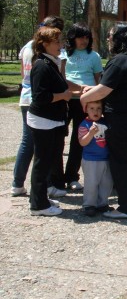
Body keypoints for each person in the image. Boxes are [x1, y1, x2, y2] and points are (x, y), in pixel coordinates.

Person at [80, 21, 127, 219]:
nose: (108, 39)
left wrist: (84, 98)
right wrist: (91, 90)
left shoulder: (120, 60)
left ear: (120, 39)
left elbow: (105, 89)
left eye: (111, 36)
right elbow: (111, 85)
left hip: (122, 116)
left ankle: (126, 207)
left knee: (121, 159)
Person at [27, 25, 83, 216]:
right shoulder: (41, 66)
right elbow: (40, 96)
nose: (61, 45)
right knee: (42, 162)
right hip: (43, 120)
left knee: (49, 160)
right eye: (56, 42)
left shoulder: (52, 62)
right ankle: (38, 205)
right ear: (44, 44)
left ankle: (40, 196)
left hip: (53, 120)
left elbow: (63, 83)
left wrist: (81, 89)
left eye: (60, 41)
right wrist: (63, 96)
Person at [11, 16, 64, 197]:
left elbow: (22, 73)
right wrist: (63, 94)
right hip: (38, 101)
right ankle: (44, 187)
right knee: (40, 148)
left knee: (28, 143)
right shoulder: (44, 61)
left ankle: (18, 183)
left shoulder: (27, 46)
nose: (60, 43)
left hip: (26, 95)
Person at [62, 23, 103, 191]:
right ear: (72, 38)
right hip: (65, 99)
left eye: (86, 37)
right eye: (80, 37)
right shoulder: (64, 54)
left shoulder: (94, 56)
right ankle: (55, 178)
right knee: (58, 138)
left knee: (79, 139)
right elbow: (61, 75)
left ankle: (72, 176)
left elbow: (98, 80)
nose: (83, 41)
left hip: (85, 100)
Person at [78, 100, 113, 217]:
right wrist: (90, 133)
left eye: (98, 108)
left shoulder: (105, 122)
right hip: (91, 159)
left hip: (105, 158)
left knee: (106, 183)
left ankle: (102, 203)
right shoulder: (84, 124)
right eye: (92, 108)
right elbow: (82, 142)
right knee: (91, 183)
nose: (95, 111)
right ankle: (89, 204)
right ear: (86, 110)